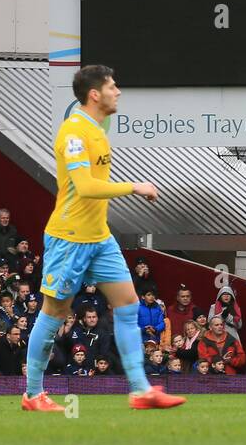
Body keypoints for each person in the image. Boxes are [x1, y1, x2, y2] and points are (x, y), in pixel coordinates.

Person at [21, 64, 183, 412]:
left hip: (99, 237)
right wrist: (135, 186)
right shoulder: (74, 133)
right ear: (95, 94)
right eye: (113, 86)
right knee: (54, 313)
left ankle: (140, 390)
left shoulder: (96, 129)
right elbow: (86, 186)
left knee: (128, 304)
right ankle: (33, 394)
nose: (118, 92)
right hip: (70, 238)